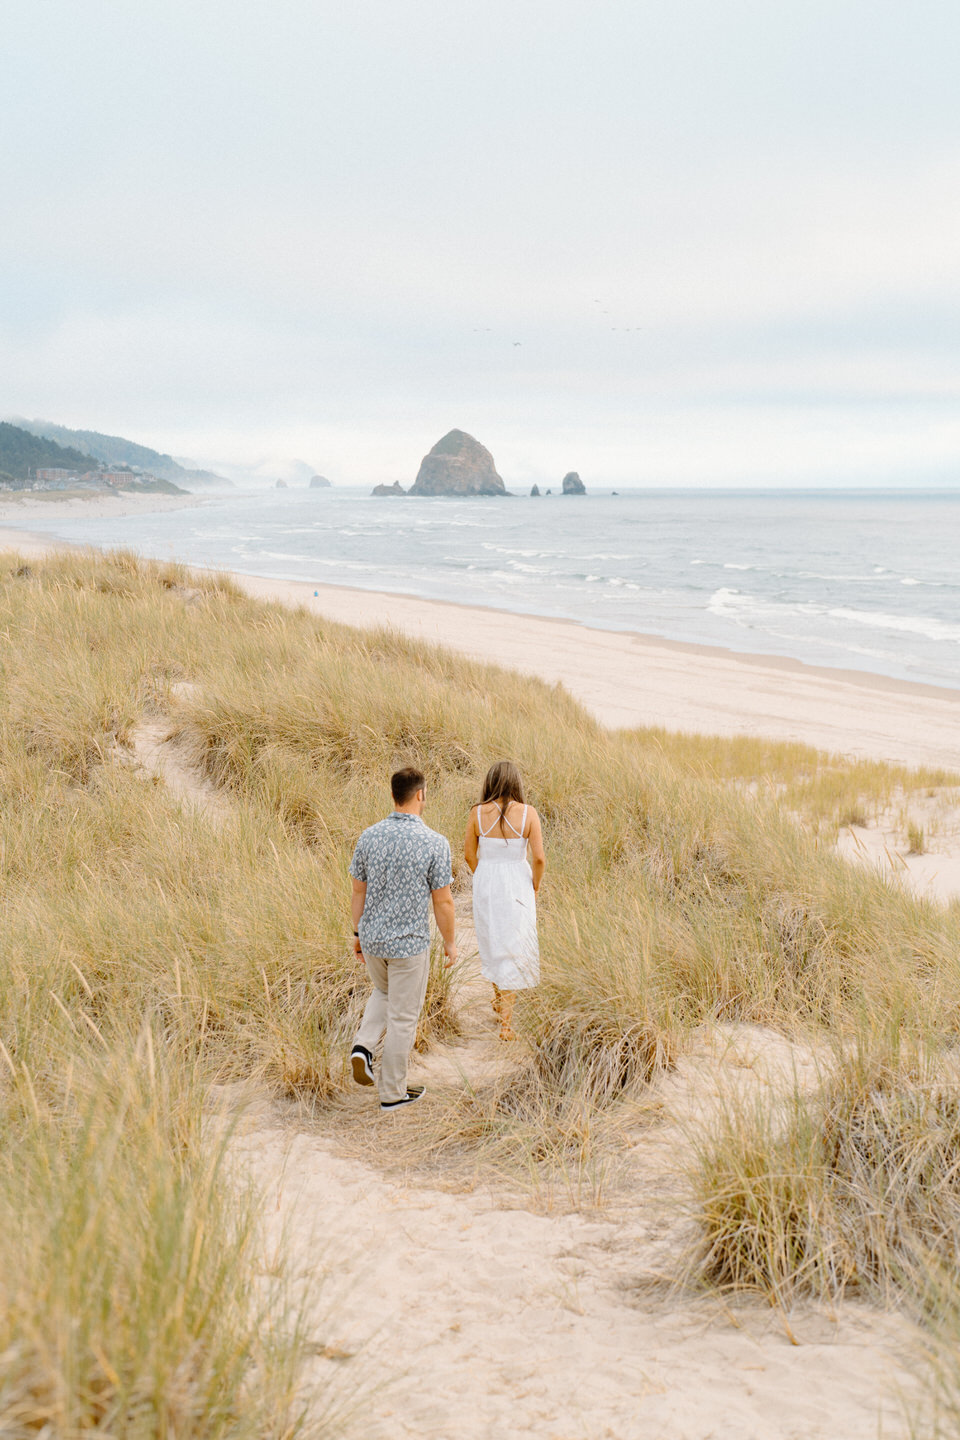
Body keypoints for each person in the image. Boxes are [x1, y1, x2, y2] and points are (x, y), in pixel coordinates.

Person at [349, 766, 457, 1111]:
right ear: (420, 795)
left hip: (373, 938)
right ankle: (392, 1093)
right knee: (403, 1017)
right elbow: (443, 901)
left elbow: (357, 890)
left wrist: (357, 933)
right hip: (408, 944)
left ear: (393, 795)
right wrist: (450, 942)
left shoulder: (369, 836)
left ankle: (363, 1047)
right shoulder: (435, 843)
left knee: (383, 993)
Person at [464, 760, 545, 1040]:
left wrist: (485, 875)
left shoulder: (477, 813)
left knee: (492, 940)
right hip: (517, 883)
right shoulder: (529, 813)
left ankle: (499, 1002)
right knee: (513, 944)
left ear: (490, 781)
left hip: (487, 881)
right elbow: (539, 858)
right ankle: (507, 1026)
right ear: (516, 783)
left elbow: (468, 855)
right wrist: (534, 885)